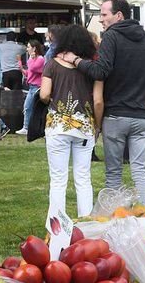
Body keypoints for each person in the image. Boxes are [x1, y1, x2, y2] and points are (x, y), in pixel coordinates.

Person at [61, 0, 145, 205]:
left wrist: (76, 60)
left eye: (104, 14)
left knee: (114, 172)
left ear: (119, 15)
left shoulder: (111, 37)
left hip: (116, 114)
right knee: (140, 170)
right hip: (143, 115)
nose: (101, 19)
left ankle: (114, 217)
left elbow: (100, 71)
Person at [40, 23, 102, 219]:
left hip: (57, 126)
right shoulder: (91, 68)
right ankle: (86, 223)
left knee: (58, 180)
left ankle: (56, 225)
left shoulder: (52, 65)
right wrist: (98, 125)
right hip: (84, 127)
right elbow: (98, 99)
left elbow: (44, 94)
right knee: (83, 178)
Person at [16, 40, 45, 137]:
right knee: (28, 107)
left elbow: (33, 68)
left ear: (34, 48)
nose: (27, 49)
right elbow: (29, 73)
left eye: (28, 47)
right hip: (32, 86)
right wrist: (20, 65)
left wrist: (30, 59)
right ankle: (27, 127)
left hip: (37, 87)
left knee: (30, 107)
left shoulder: (40, 59)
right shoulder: (32, 60)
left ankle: (29, 127)